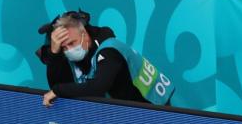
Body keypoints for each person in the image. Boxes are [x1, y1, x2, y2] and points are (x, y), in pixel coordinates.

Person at [39, 11, 167, 107]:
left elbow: (98, 87)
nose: (69, 50)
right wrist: (54, 53)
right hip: (122, 110)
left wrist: (59, 91)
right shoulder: (72, 53)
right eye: (63, 47)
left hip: (154, 108)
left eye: (72, 43)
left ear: (84, 35)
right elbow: (55, 85)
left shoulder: (109, 49)